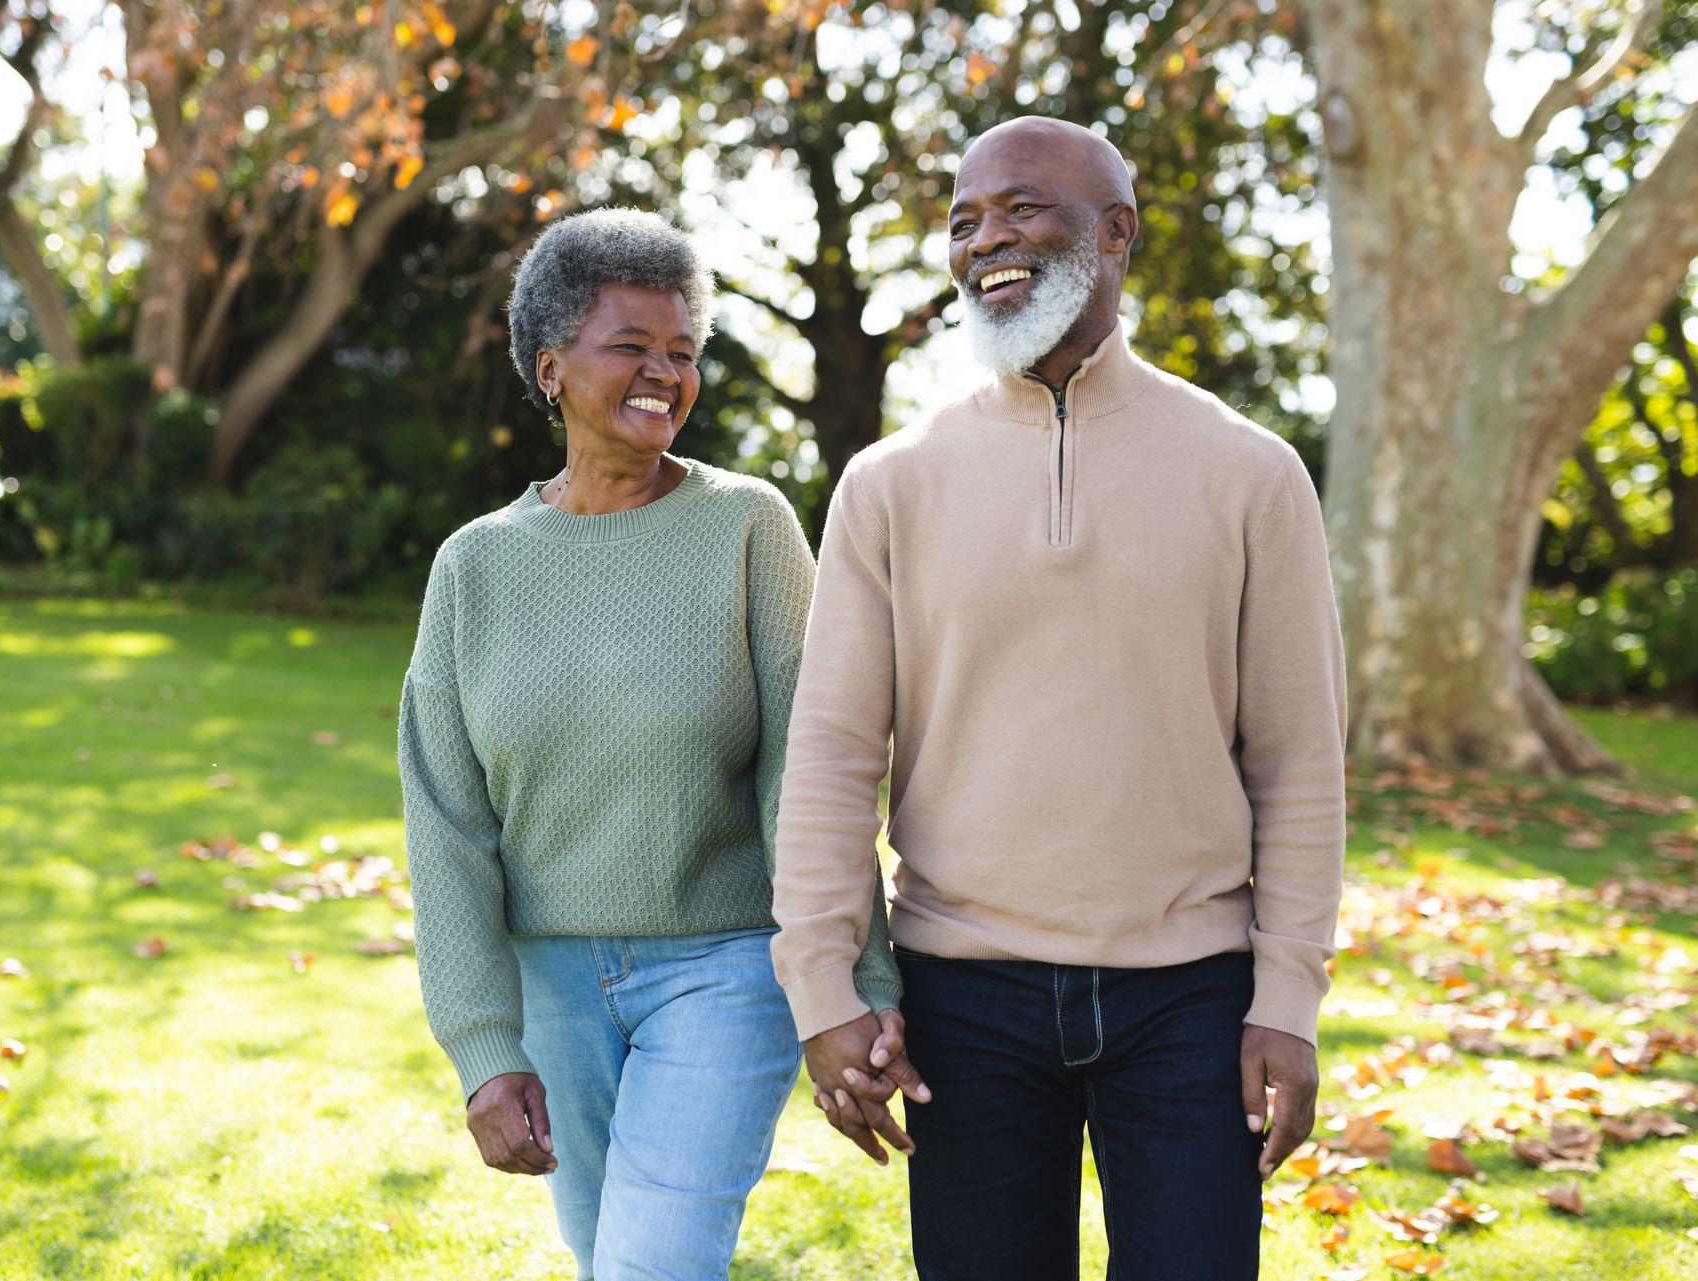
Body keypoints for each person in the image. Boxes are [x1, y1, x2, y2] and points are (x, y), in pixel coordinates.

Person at [769, 118, 1348, 1280]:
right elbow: (832, 753)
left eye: (1023, 207)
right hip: (962, 999)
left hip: (1192, 1000)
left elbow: (1298, 759)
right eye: (964, 220)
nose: (988, 238)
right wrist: (823, 988)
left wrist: (1286, 997)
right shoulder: (889, 484)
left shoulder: (1250, 473)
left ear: (1117, 232)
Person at [397, 207, 905, 1280]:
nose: (663, 373)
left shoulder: (748, 528)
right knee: (606, 1260)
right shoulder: (473, 568)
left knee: (654, 1264)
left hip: (725, 968)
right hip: (550, 992)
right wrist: (485, 1052)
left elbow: (806, 778)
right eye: (629, 346)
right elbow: (446, 824)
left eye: (682, 352)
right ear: (551, 368)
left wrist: (857, 981)